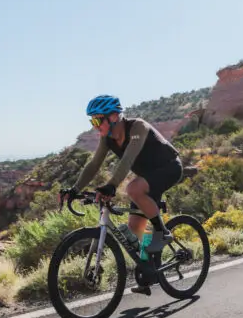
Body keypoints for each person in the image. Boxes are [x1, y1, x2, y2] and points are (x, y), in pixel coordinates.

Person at [63, 95, 184, 295]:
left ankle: (162, 232)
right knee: (134, 229)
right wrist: (74, 189)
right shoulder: (107, 138)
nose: (94, 126)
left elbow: (127, 160)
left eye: (97, 120)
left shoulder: (138, 127)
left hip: (169, 168)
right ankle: (149, 274)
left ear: (113, 117)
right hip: (148, 177)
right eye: (91, 121)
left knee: (132, 188)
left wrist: (111, 185)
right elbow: (94, 164)